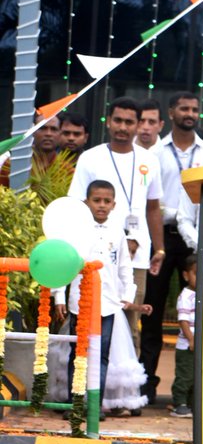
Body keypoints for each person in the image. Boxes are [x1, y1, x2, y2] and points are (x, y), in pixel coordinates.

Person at [68, 96, 165, 361]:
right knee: (90, 320)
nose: (123, 127)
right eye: (118, 120)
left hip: (138, 254)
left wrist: (160, 248)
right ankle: (86, 387)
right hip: (95, 255)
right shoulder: (90, 158)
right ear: (108, 121)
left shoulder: (150, 160)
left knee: (130, 322)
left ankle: (124, 391)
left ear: (138, 125)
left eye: (129, 122)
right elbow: (77, 206)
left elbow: (153, 208)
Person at [140, 91, 203, 404]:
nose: (189, 113)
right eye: (184, 108)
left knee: (200, 311)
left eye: (195, 109)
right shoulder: (154, 152)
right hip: (159, 237)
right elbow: (150, 200)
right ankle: (146, 384)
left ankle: (193, 389)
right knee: (153, 311)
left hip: (194, 239)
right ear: (171, 113)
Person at [53, 180, 151, 417]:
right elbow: (62, 263)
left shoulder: (117, 232)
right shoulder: (75, 231)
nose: (101, 206)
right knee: (78, 353)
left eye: (107, 201)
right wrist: (59, 295)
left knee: (102, 354)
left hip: (108, 304)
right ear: (86, 202)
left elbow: (124, 267)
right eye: (96, 200)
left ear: (114, 205)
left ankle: (94, 404)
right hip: (80, 302)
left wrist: (127, 295)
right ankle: (74, 402)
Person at [170, 255, 199, 419]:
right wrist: (191, 339)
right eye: (195, 273)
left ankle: (192, 403)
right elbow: (183, 320)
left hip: (199, 344)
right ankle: (179, 403)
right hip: (187, 345)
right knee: (185, 375)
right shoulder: (186, 295)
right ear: (186, 275)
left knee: (196, 376)